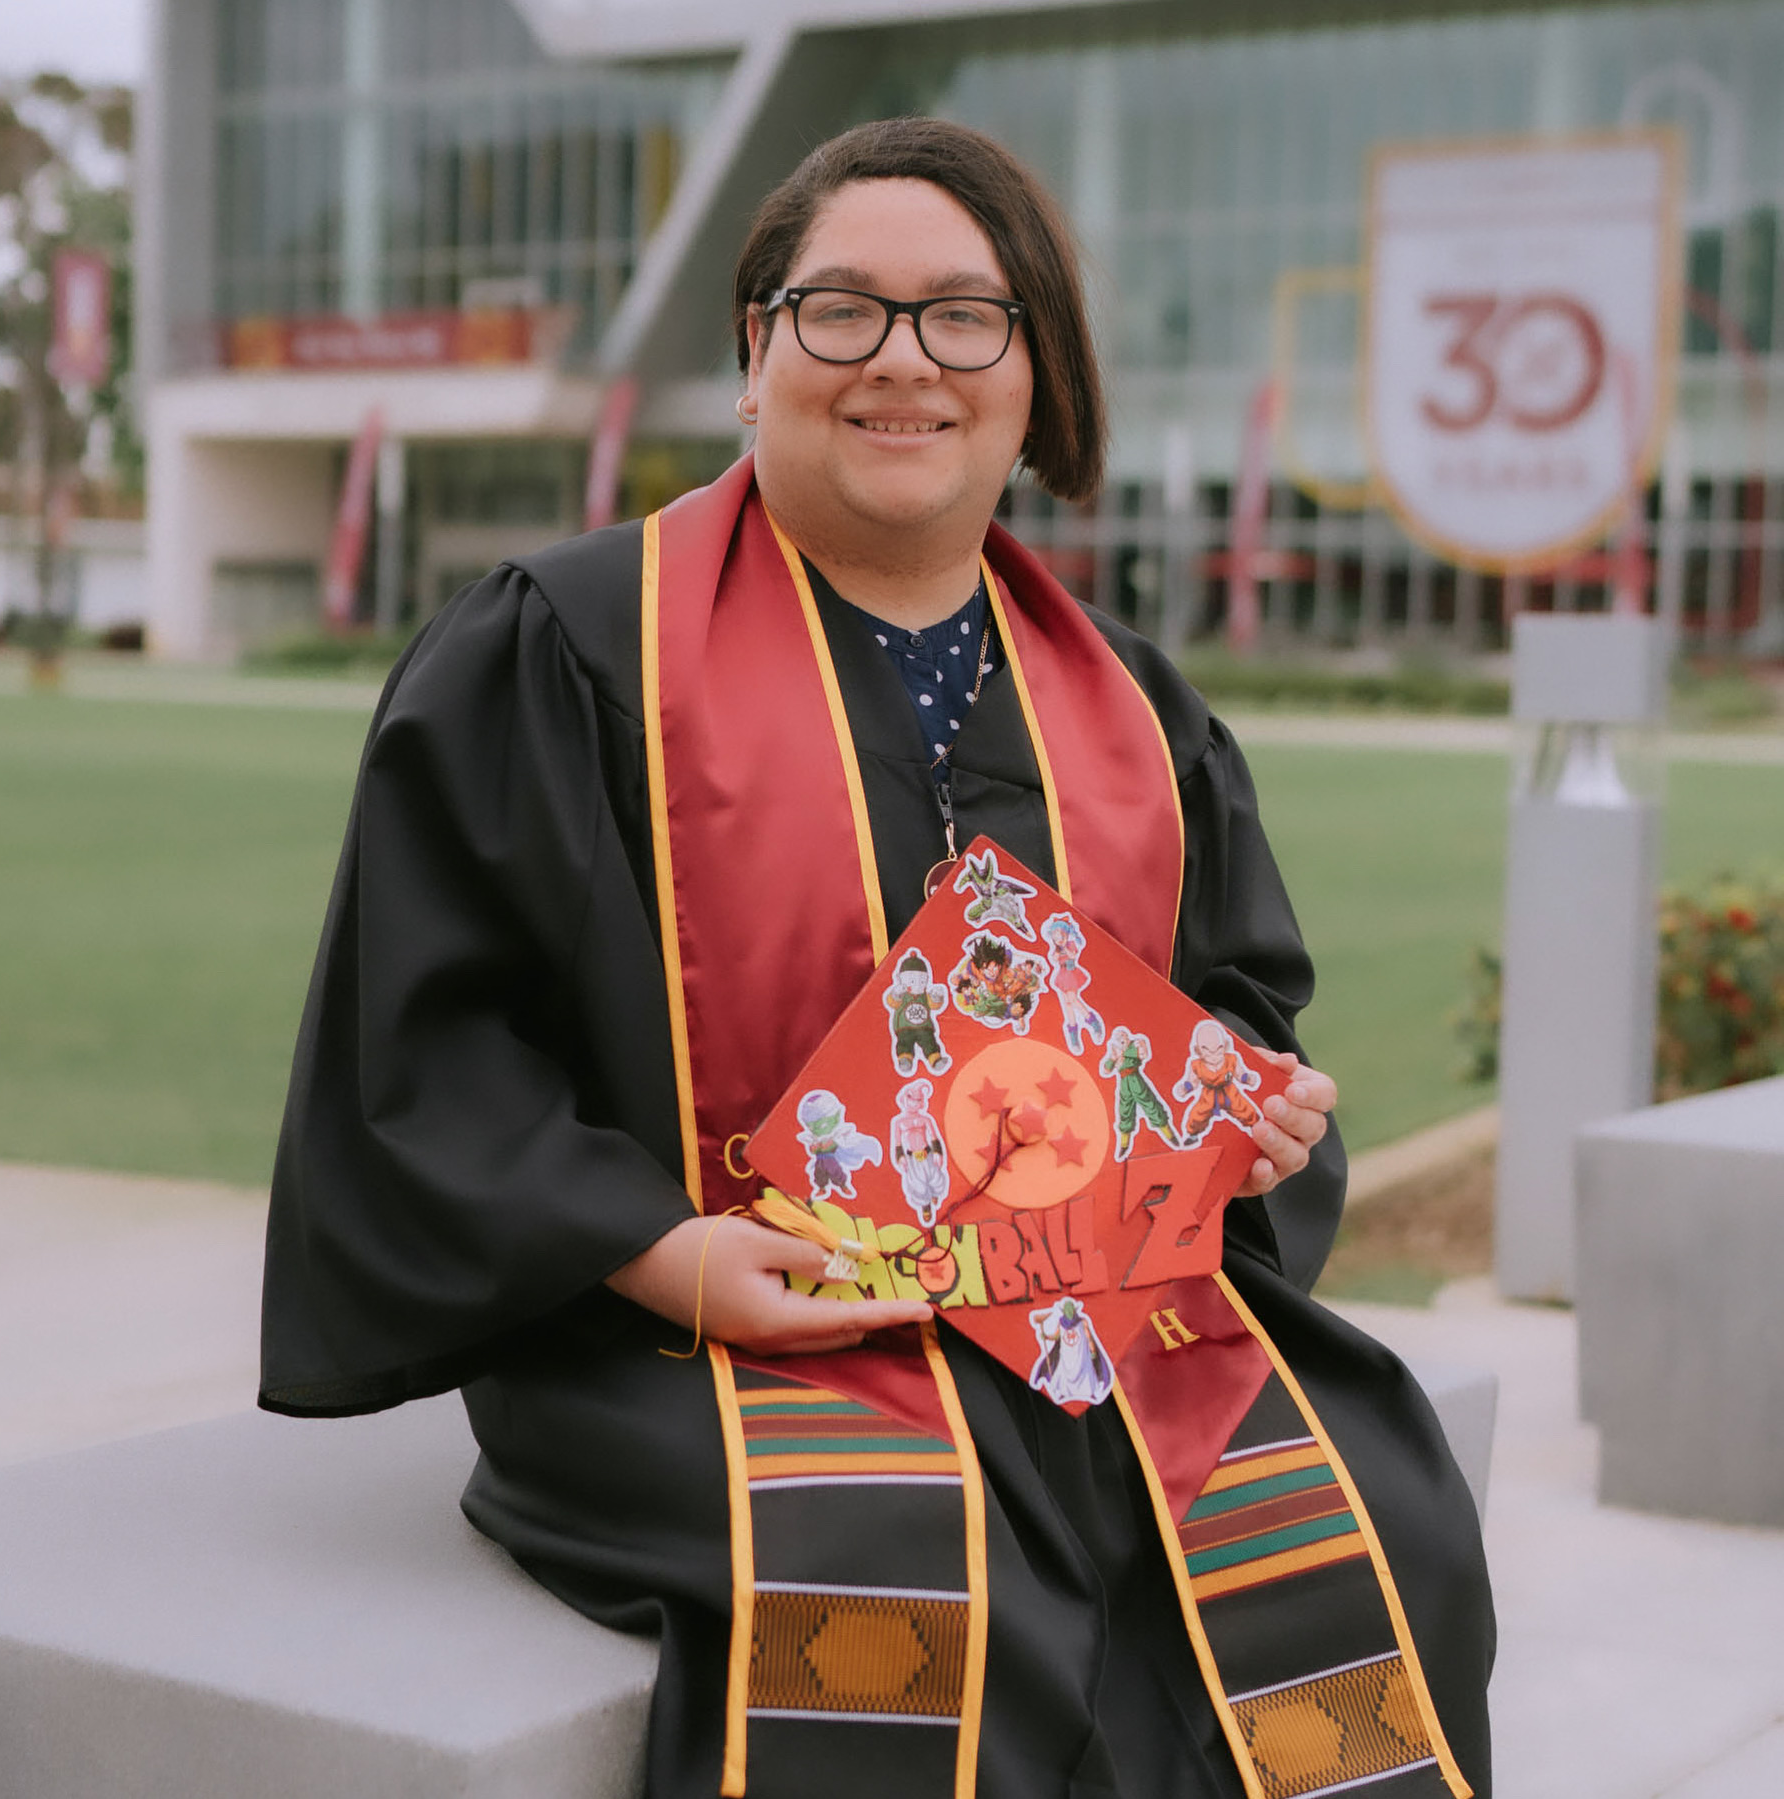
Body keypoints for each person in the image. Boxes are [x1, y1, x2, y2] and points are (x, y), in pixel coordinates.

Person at [261, 118, 1492, 1799]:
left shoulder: (1137, 709)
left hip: (1082, 1312)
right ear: (756, 351)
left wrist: (1246, 1114)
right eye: (841, 308)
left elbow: (1233, 1004)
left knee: (1372, 1520)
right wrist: (661, 1254)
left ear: (1033, 375)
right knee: (944, 1579)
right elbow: (429, 1053)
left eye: (964, 317)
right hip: (694, 1332)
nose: (902, 361)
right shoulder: (565, 646)